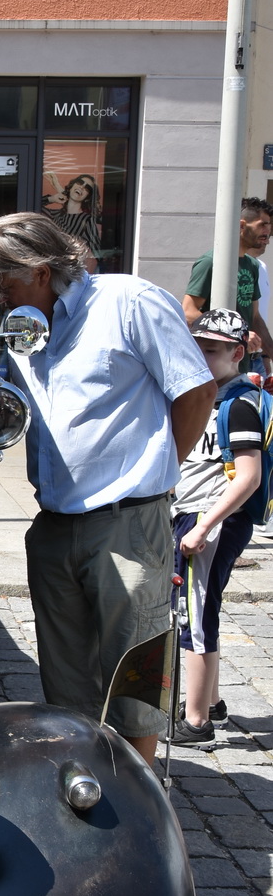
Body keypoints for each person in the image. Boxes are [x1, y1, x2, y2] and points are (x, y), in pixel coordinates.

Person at [0, 212, 216, 767]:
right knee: (67, 684)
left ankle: (141, 802)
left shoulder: (127, 301)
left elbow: (196, 392)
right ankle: (82, 789)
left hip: (128, 522)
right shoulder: (28, 324)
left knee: (136, 678)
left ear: (37, 270)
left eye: (3, 284)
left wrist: (159, 474)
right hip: (56, 524)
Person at [170, 310, 264, 747]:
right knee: (201, 610)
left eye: (212, 350)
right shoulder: (206, 395)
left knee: (195, 618)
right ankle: (212, 703)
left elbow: (249, 476)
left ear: (237, 353)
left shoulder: (237, 404)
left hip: (211, 520)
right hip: (193, 515)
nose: (202, 356)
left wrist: (204, 526)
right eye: (197, 347)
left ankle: (195, 723)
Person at [183, 198, 273, 358]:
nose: (267, 231)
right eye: (262, 225)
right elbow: (188, 312)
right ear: (241, 226)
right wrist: (238, 334)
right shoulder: (210, 262)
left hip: (243, 363)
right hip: (214, 364)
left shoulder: (252, 265)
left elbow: (255, 317)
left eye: (269, 225)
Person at [42, 171, 101, 254]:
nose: (82, 187)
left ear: (87, 197)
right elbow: (28, 206)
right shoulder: (54, 214)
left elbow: (96, 252)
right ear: (72, 186)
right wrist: (52, 199)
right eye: (80, 182)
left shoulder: (86, 220)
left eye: (87, 188)